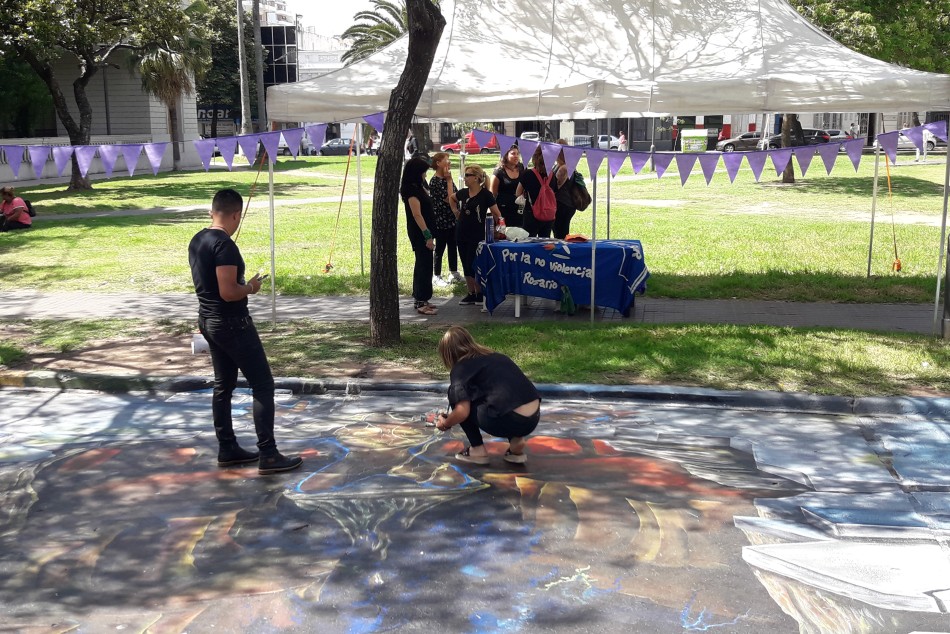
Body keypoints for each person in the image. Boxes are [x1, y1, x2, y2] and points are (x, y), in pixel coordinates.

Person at [188, 188, 302, 475]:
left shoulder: (198, 239)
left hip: (208, 321)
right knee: (262, 384)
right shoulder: (224, 246)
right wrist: (251, 286)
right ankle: (269, 454)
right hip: (231, 323)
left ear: (213, 211)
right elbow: (228, 292)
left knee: (223, 385)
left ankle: (227, 448)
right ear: (236, 215)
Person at [435, 326, 541, 465]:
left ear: (447, 354)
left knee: (460, 400)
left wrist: (445, 423)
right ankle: (516, 440)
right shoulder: (497, 357)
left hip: (509, 420)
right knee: (500, 399)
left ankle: (477, 449)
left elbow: (462, 412)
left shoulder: (460, 369)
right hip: (533, 417)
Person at [454, 163, 501, 306]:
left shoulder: (486, 194)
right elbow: (451, 198)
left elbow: (496, 213)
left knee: (473, 263)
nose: (465, 178)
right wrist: (456, 211)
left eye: (468, 175)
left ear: (476, 178)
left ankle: (480, 292)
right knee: (465, 263)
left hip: (477, 234)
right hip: (462, 232)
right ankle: (471, 293)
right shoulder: (463, 192)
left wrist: (498, 228)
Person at [401, 156, 439, 315]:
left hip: (427, 230)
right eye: (423, 172)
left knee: (426, 264)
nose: (425, 175)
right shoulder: (411, 191)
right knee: (423, 265)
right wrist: (427, 235)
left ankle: (423, 298)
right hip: (420, 233)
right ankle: (420, 300)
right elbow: (417, 215)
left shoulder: (420, 186)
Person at [428, 152, 463, 287]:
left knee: (453, 246)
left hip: (452, 219)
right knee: (440, 247)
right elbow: (450, 199)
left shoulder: (448, 178)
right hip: (441, 220)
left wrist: (449, 181)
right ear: (438, 163)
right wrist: (449, 181)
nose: (449, 162)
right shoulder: (435, 181)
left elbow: (456, 196)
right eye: (446, 160)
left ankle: (453, 272)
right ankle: (436, 275)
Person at [516, 145, 558, 238]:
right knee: (545, 241)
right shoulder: (552, 175)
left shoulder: (528, 174)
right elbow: (555, 192)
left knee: (529, 241)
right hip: (548, 215)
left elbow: (518, 193)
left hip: (531, 214)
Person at [490, 144, 525, 228]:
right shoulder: (498, 172)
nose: (516, 156)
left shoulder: (522, 168)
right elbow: (492, 196)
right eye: (513, 153)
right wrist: (496, 216)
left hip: (520, 210)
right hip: (504, 211)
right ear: (505, 155)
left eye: (518, 154)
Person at [552, 141, 579, 240]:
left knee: (560, 234)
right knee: (559, 232)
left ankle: (562, 249)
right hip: (563, 204)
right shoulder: (561, 165)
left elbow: (556, 186)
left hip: (563, 204)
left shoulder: (564, 168)